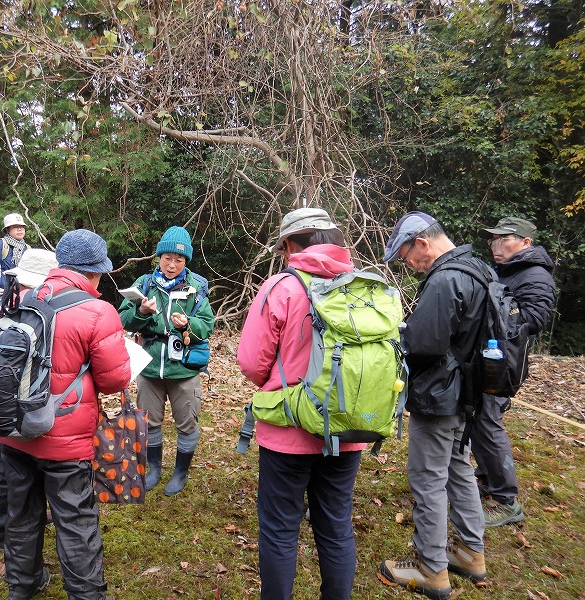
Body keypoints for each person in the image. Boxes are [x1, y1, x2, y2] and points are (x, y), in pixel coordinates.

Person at [236, 208, 366, 600]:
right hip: (348, 427)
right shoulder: (361, 285)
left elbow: (251, 362)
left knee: (279, 530)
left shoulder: (283, 286)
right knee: (336, 525)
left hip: (288, 430)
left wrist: (279, 382)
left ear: (290, 245)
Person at [0, 229, 131, 600]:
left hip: (14, 429)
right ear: (94, 273)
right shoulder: (97, 311)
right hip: (66, 439)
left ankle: (22, 586)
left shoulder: (25, 297)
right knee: (75, 521)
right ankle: (86, 595)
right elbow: (114, 379)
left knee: (22, 514)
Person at [379, 211, 488, 599]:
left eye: (407, 255)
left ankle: (430, 567)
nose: (409, 264)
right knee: (459, 467)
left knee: (428, 479)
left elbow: (423, 345)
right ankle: (471, 552)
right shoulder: (477, 268)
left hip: (440, 395)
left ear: (421, 243)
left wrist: (398, 339)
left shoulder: (444, 280)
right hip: (468, 395)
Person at [118, 226, 215, 496]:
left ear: (186, 261)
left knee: (187, 422)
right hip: (149, 366)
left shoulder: (196, 288)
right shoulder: (144, 284)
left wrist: (188, 325)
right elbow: (123, 319)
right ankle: (154, 469)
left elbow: (207, 325)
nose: (172, 265)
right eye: (167, 258)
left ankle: (180, 472)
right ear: (158, 257)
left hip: (184, 368)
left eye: (179, 260)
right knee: (149, 421)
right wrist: (141, 311)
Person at [473, 217, 556, 527]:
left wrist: (496, 304)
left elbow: (533, 319)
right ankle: (485, 480)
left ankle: (506, 500)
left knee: (487, 422)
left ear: (525, 243)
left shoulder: (535, 275)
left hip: (504, 365)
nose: (497, 246)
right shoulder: (503, 271)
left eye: (504, 239)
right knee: (477, 421)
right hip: (487, 358)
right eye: (494, 240)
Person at [0, 248, 60, 554]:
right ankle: (2, 531)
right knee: (11, 466)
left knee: (5, 463)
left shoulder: (0, 304)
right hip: (19, 403)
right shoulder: (38, 310)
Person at [0, 213, 31, 294]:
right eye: (15, 226)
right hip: (1, 294)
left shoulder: (27, 248)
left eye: (22, 227)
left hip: (22, 295)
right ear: (7, 229)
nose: (19, 229)